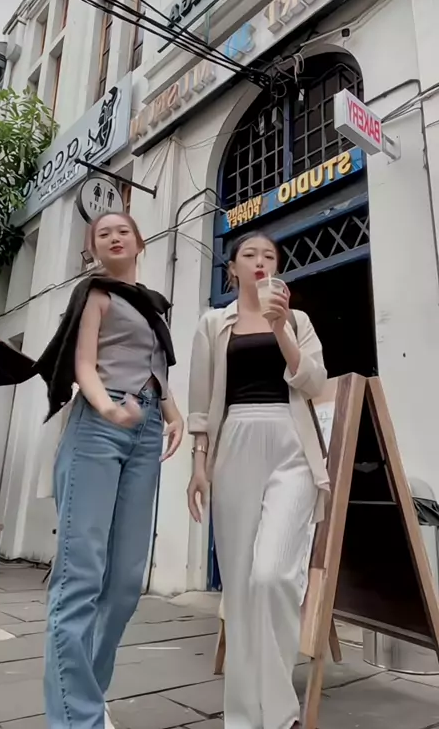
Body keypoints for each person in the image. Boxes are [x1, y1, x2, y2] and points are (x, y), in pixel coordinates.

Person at [43, 212, 184, 729]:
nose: (114, 237)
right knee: (80, 577)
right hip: (98, 429)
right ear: (94, 249)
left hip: (145, 430)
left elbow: (155, 370)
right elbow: (84, 365)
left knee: (124, 584)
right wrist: (108, 409)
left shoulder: (151, 304)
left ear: (140, 242)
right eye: (103, 234)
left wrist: (173, 413)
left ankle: (88, 694)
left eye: (122, 230)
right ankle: (75, 719)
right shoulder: (95, 295)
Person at [187, 231, 329, 729]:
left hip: (292, 445)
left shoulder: (299, 321)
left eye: (269, 255)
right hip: (235, 445)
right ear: (233, 268)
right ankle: (246, 717)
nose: (260, 261)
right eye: (249, 254)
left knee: (273, 576)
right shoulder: (213, 323)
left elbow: (314, 381)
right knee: (241, 591)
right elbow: (201, 401)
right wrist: (199, 464)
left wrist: (281, 327)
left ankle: (282, 712)